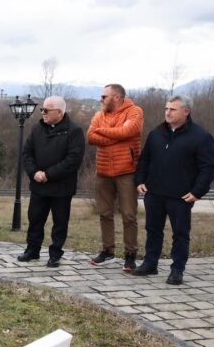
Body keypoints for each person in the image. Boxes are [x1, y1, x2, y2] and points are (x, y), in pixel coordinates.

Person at [133, 95, 214, 285]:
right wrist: (140, 180)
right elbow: (144, 159)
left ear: (186, 112)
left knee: (180, 233)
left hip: (181, 196)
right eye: (166, 108)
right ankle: (150, 263)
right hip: (154, 193)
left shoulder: (201, 137)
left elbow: (208, 167)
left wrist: (197, 192)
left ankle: (177, 270)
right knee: (153, 230)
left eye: (173, 109)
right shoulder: (156, 134)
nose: (167, 112)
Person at [16, 96, 85, 267]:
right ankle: (32, 250)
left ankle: (55, 254)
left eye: (47, 110)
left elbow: (73, 160)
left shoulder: (74, 131)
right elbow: (27, 154)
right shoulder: (37, 128)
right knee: (35, 219)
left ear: (59, 112)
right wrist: (34, 173)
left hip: (61, 187)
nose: (43, 113)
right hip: (38, 184)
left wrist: (48, 174)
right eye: (42, 109)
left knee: (60, 222)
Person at [86, 83, 143, 270]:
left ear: (117, 97)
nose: (101, 99)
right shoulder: (99, 114)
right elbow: (90, 137)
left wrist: (102, 131)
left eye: (104, 96)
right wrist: (117, 136)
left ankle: (130, 255)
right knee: (104, 213)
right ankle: (107, 251)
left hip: (126, 171)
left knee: (128, 215)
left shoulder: (134, 111)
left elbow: (128, 131)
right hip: (103, 172)